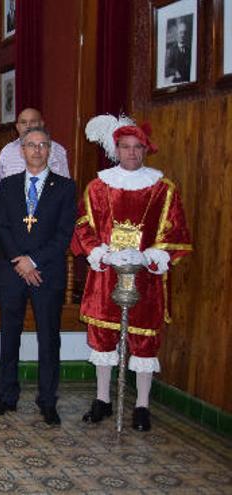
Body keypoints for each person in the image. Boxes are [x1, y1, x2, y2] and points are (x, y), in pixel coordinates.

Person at [75, 115, 192, 431]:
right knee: (102, 340)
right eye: (125, 147)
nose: (131, 153)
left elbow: (176, 230)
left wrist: (151, 254)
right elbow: (84, 225)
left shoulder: (163, 189)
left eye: (137, 147)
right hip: (107, 275)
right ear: (116, 149)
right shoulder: (98, 187)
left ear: (145, 150)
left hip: (145, 276)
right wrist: (99, 252)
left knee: (144, 343)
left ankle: (141, 405)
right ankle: (102, 399)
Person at [0, 127, 76, 426]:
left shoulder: (64, 187)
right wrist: (19, 261)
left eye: (42, 145)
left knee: (48, 338)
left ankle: (48, 400)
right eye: (31, 145)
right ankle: (6, 395)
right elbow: (1, 227)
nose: (37, 150)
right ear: (22, 150)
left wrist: (34, 261)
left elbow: (64, 234)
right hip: (13, 273)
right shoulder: (9, 185)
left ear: (49, 150)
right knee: (9, 335)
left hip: (46, 273)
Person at [0, 108, 70, 193]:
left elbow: (64, 187)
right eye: (23, 122)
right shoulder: (7, 151)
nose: (28, 126)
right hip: (12, 203)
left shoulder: (56, 150)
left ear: (41, 124)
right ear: (17, 127)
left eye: (33, 122)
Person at [165, 18, 191, 84]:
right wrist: (175, 72)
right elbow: (166, 70)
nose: (183, 35)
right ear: (177, 34)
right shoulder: (172, 50)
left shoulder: (189, 50)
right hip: (177, 82)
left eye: (185, 33)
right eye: (181, 32)